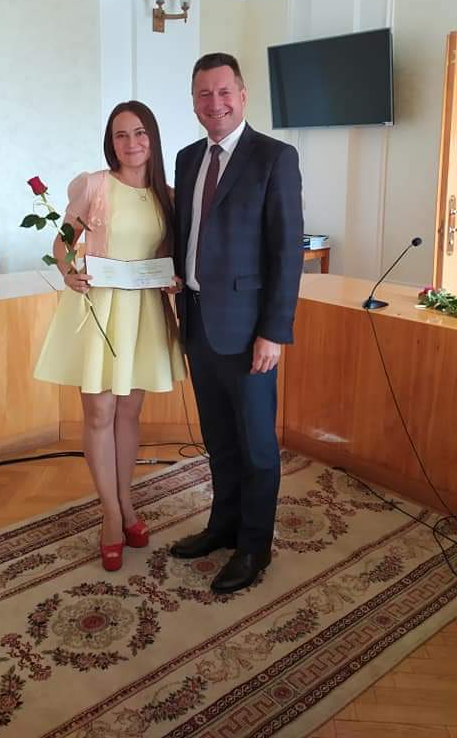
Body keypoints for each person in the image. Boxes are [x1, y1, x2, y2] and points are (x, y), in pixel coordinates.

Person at [170, 53, 303, 593]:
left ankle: (254, 546)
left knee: (256, 447)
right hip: (198, 323)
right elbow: (186, 235)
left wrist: (274, 331)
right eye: (204, 94)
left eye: (224, 91)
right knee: (219, 439)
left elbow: (287, 251)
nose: (215, 103)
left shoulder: (275, 157)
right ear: (194, 102)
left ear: (243, 96)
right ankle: (222, 525)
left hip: (250, 333)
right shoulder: (186, 159)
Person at [34, 101, 185, 571]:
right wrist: (68, 272)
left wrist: (173, 280)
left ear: (152, 138)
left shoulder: (168, 196)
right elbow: (63, 240)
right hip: (99, 307)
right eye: (121, 134)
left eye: (139, 133)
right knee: (99, 411)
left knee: (129, 412)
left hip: (143, 312)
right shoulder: (95, 186)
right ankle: (112, 515)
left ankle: (127, 502)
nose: (131, 142)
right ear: (111, 142)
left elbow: (169, 257)